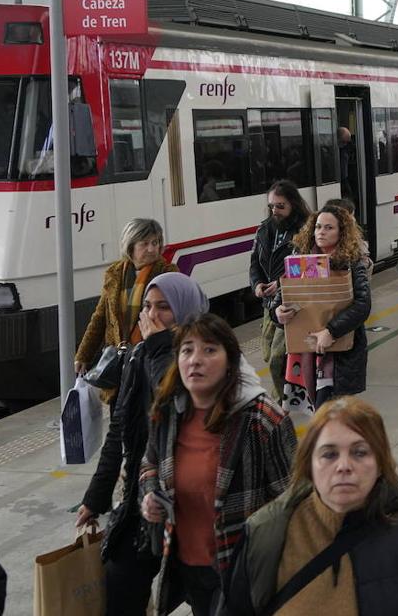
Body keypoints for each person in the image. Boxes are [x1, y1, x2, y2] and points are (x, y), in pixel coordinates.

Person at [219, 397, 398, 615]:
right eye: (329, 454)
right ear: (309, 465)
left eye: (360, 452)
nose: (344, 466)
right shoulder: (265, 534)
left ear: (380, 464)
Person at [139, 314, 295, 615]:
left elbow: (293, 500)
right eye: (187, 350)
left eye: (210, 350)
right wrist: (148, 496)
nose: (195, 360)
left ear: (230, 362)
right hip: (187, 564)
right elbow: (150, 464)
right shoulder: (168, 412)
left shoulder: (262, 419)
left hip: (244, 570)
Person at [76, 273, 209, 615]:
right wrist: (96, 496)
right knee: (119, 585)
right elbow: (120, 430)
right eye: (147, 306)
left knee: (206, 596)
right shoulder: (138, 357)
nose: (153, 316)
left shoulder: (205, 358)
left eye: (164, 307)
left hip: (194, 504)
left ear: (186, 310)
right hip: (142, 497)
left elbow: (177, 405)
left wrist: (160, 346)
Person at [275, 205, 372, 411]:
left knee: (331, 413)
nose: (321, 232)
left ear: (341, 232)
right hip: (304, 353)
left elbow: (363, 305)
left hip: (341, 358)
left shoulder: (352, 262)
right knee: (317, 415)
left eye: (329, 228)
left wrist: (331, 331)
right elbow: (280, 298)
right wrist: (278, 312)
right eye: (318, 226)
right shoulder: (298, 259)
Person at [75, 218, 178, 405]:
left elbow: (179, 317)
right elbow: (100, 317)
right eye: (145, 244)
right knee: (120, 419)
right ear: (130, 247)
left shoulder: (168, 273)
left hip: (150, 360)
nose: (152, 249)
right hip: (120, 364)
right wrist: (84, 354)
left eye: (155, 243)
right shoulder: (115, 274)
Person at [249, 181, 311, 395]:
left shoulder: (305, 231)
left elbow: (307, 265)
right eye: (272, 206)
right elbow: (254, 262)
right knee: (268, 354)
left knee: (276, 358)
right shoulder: (264, 229)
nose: (275, 211)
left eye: (280, 206)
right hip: (269, 304)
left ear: (293, 204)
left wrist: (281, 283)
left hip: (291, 303)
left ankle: (281, 403)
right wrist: (257, 284)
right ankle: (290, 392)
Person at [337, 127, 357, 203]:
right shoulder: (333, 152)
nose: (345, 145)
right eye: (343, 142)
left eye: (347, 143)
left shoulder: (345, 151)